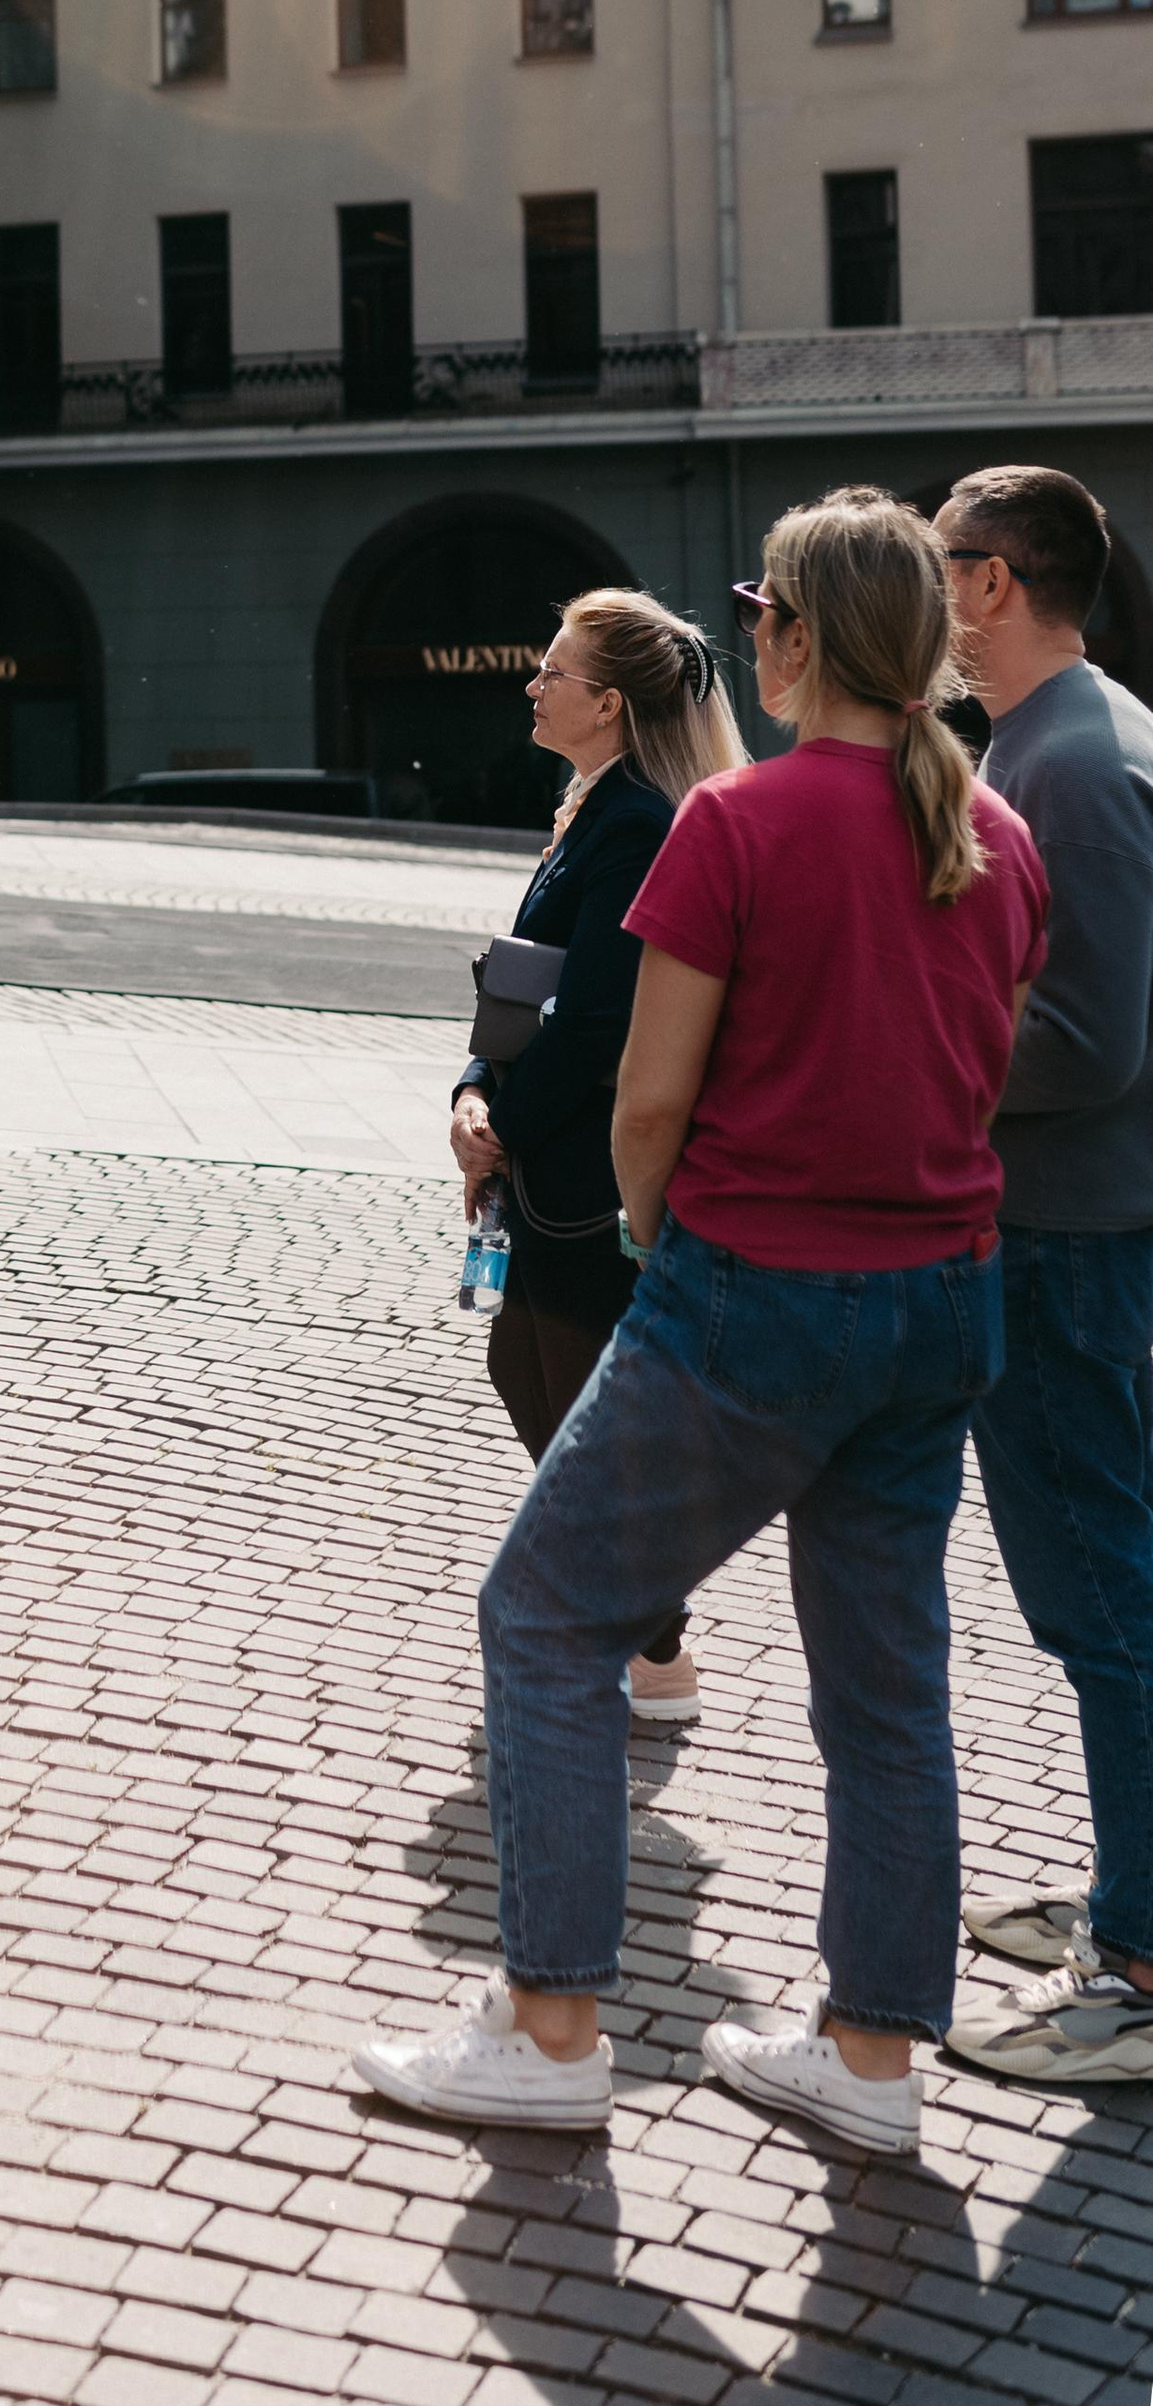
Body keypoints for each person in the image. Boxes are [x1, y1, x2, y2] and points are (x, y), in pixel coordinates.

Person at [356, 486, 1046, 2159]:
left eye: (764, 618)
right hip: (941, 1295)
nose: (754, 643)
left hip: (759, 1287)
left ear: (798, 638)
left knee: (545, 1611)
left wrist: (673, 1259)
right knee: (887, 1689)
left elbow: (646, 1112)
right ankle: (872, 2062)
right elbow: (986, 1080)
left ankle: (551, 2026)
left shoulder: (739, 824)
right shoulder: (999, 838)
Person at [931, 465, 1153, 2084]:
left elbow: (1082, 1039)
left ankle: (1137, 1966)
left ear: (996, 582)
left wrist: (907, 1036)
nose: (930, 597)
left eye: (942, 565)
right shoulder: (1073, 736)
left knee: (1103, 1599)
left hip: (1067, 1234)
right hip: (1085, 1228)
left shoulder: (1072, 759)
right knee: (1112, 1587)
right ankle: (1125, 1899)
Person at [451, 591, 746, 1727]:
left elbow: (601, 1018)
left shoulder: (637, 820)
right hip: (542, 1150)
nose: (532, 686)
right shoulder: (594, 802)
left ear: (608, 703)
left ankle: (649, 1643)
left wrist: (502, 1125)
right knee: (524, 1375)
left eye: (552, 672)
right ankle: (632, 1622)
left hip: (583, 1172)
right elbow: (520, 980)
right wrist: (471, 1087)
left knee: (576, 1399)